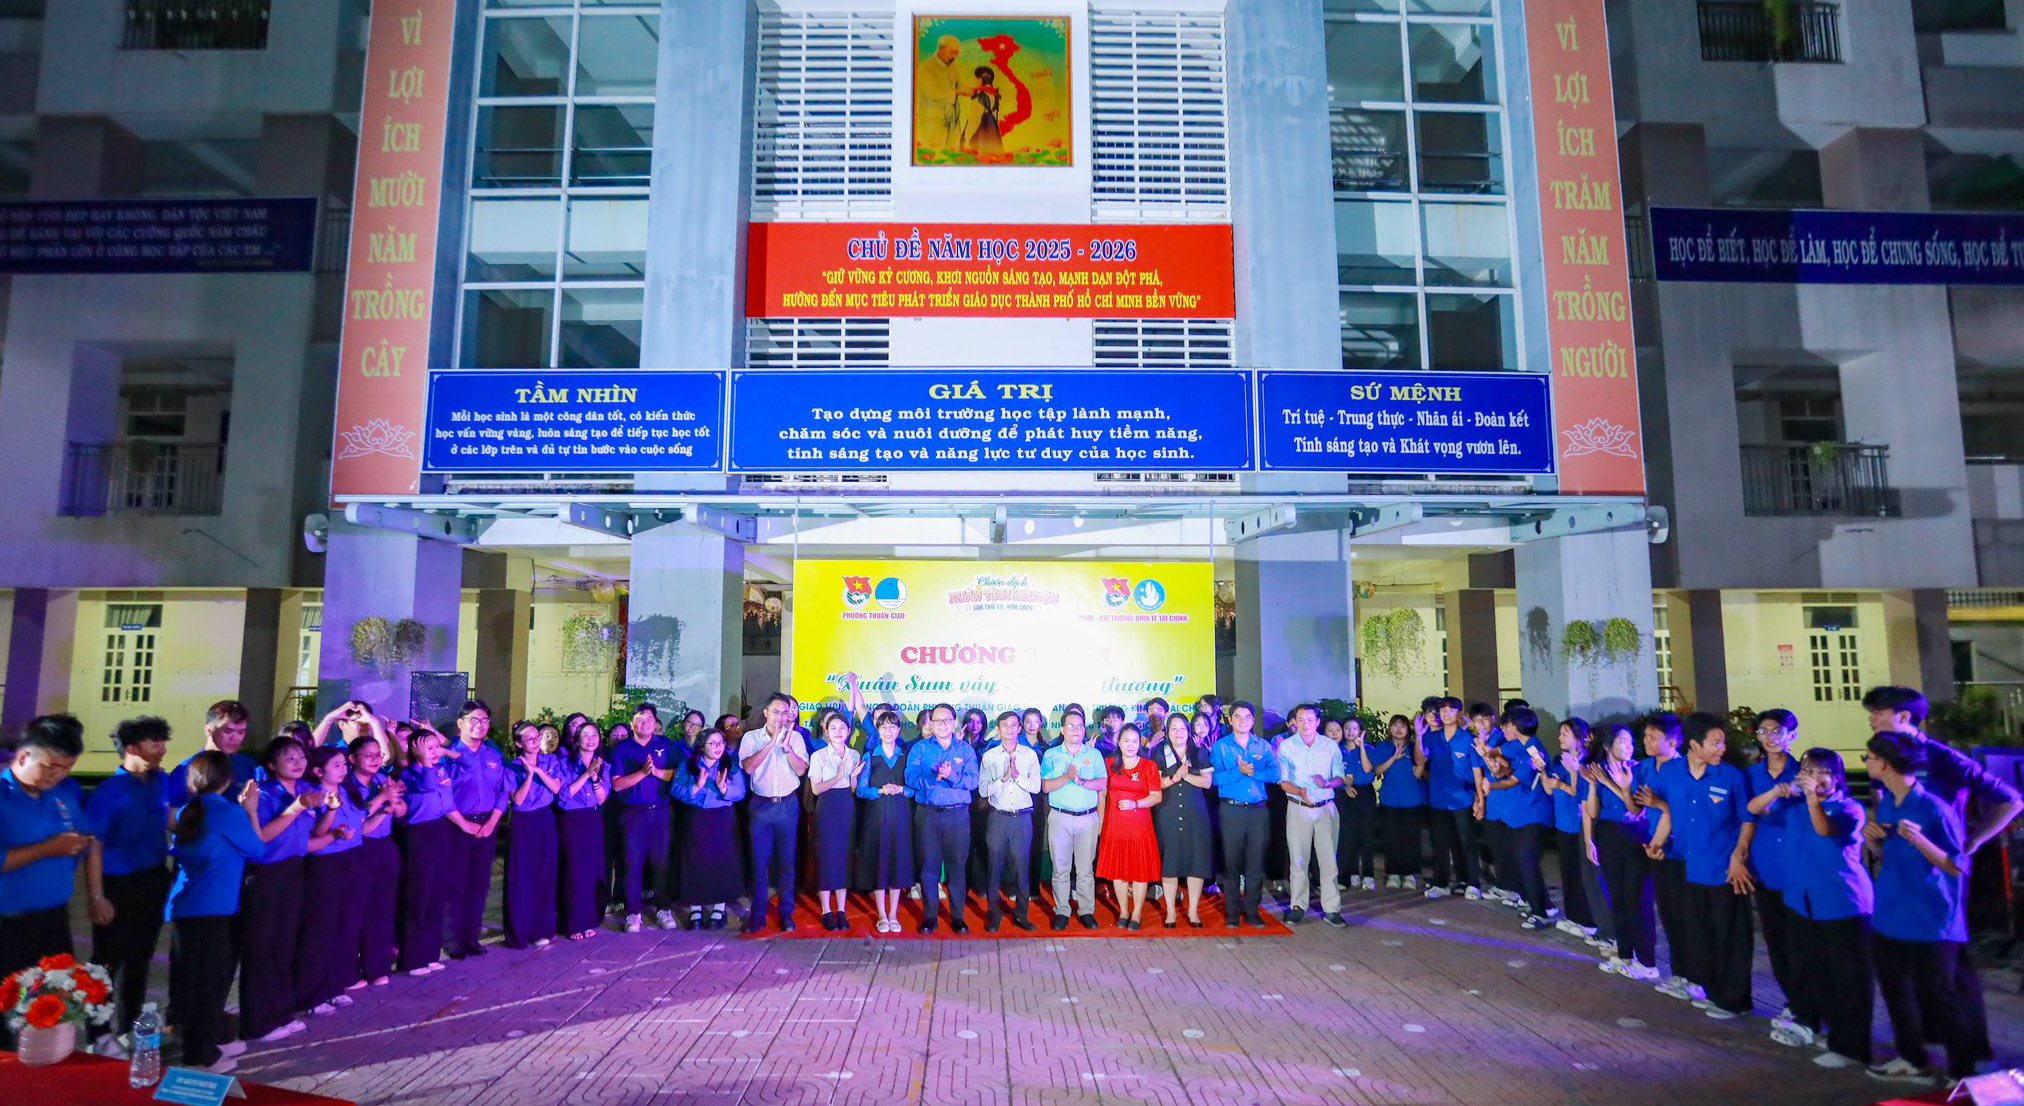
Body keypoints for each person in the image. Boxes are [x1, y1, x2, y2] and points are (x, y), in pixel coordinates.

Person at [1864, 684, 2019, 1069]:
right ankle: (1924, 1046)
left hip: (1941, 874)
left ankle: (1969, 1052)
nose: (1872, 719)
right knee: (1912, 967)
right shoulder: (1885, 759)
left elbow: (2011, 800)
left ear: (1904, 717)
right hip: (1902, 873)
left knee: (1949, 969)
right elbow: (1883, 807)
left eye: (1878, 712)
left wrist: (1973, 842)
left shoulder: (1943, 758)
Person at [1864, 729, 1979, 1083]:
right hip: (1889, 915)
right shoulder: (1888, 802)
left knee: (1941, 997)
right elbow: (1890, 855)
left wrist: (1920, 840)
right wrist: (1875, 844)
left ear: (1885, 764)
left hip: (1931, 919)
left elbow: (1956, 865)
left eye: (1869, 757)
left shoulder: (1934, 808)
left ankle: (1963, 1072)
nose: (1867, 763)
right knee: (1896, 993)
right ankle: (1912, 1058)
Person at [0, 714, 100, 1052]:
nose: (58, 775)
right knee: (7, 1010)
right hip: (8, 925)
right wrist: (48, 849)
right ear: (23, 756)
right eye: (51, 767)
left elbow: (86, 839)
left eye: (67, 768)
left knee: (55, 1005)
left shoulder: (63, 796)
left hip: (54, 921)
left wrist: (79, 849)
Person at [1646, 713, 1755, 1019]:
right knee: (1702, 933)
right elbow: (1668, 812)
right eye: (1715, 743)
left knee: (1730, 936)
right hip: (1689, 866)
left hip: (1724, 869)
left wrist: (1738, 857)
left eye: (1723, 742)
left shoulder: (1731, 776)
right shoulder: (1672, 773)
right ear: (1694, 745)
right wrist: (1657, 844)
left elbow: (1747, 820)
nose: (1722, 748)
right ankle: (1714, 991)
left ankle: (1735, 1001)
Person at [1773, 748, 1872, 1069]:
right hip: (1802, 902)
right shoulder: (1795, 807)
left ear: (1836, 777)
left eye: (1822, 772)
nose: (1814, 778)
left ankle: (1851, 1047)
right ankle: (1818, 1025)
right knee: (1813, 969)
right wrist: (1780, 791)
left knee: (1848, 977)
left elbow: (1825, 830)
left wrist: (1813, 800)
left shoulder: (1850, 809)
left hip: (1842, 903)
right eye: (1808, 771)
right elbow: (1755, 809)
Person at [165, 751, 263, 1074]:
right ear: (227, 780)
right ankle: (201, 1055)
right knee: (208, 985)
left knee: (189, 982)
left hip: (185, 907)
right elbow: (258, 850)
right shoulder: (228, 813)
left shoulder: (189, 810)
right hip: (214, 908)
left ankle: (198, 1042)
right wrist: (251, 810)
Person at [84, 716, 171, 1054]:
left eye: (163, 742)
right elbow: (94, 846)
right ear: (132, 748)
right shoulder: (109, 791)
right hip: (117, 885)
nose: (162, 749)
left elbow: (172, 819)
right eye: (155, 743)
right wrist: (96, 896)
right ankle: (97, 1035)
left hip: (153, 879)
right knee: (107, 962)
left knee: (141, 958)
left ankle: (131, 1027)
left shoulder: (161, 781)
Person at [240, 736, 320, 1043]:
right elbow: (261, 838)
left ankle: (281, 1012)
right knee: (263, 949)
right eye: (290, 758)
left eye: (301, 757)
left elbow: (306, 836)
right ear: (272, 765)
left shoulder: (304, 790)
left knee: (285, 946)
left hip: (294, 871)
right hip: (266, 876)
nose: (298, 762)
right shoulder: (264, 794)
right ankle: (258, 1022)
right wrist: (296, 808)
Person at [1585, 721, 1658, 980]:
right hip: (1608, 833)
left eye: (1630, 742)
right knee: (1616, 896)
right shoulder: (1599, 770)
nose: (1629, 746)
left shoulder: (1639, 770)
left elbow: (1636, 809)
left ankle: (1646, 959)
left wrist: (1613, 784)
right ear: (1608, 746)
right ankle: (1625, 953)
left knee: (1637, 898)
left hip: (1634, 835)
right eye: (1622, 742)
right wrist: (1594, 785)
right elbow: (1592, 812)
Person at [1743, 709, 1802, 1021]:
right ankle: (1793, 1002)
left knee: (1802, 943)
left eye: (1777, 731)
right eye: (1763, 732)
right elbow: (1748, 814)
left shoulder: (1805, 772)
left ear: (1793, 735)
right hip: (1765, 868)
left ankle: (1809, 1005)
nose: (1770, 738)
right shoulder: (1752, 775)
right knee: (1777, 942)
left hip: (1799, 871)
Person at [438, 700, 508, 958]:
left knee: (479, 884)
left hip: (487, 825)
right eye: (473, 720)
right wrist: (463, 824)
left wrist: (491, 823)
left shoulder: (493, 755)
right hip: (457, 825)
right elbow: (443, 795)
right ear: (460, 723)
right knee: (454, 883)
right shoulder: (447, 754)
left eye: (484, 720)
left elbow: (503, 791)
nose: (479, 725)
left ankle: (471, 937)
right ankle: (451, 940)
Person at [299, 746, 364, 1016]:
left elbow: (361, 823)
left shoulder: (347, 791)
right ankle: (313, 995)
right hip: (325, 864)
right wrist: (332, 813)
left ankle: (335, 985)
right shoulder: (313, 796)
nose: (343, 769)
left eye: (343, 764)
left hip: (351, 859)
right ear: (318, 771)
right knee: (321, 930)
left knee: (344, 926)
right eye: (336, 765)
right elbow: (317, 833)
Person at [741, 692, 810, 932]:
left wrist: (787, 748)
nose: (781, 717)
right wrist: (771, 744)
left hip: (787, 806)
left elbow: (801, 771)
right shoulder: (751, 737)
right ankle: (757, 915)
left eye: (785, 713)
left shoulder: (796, 738)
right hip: (760, 806)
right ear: (766, 713)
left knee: (787, 863)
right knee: (759, 863)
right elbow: (748, 767)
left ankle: (786, 914)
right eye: (776, 712)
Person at [907, 703, 979, 934]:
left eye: (947, 720)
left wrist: (951, 775)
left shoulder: (965, 750)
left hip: (958, 816)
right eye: (937, 720)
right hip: (928, 815)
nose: (942, 724)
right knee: (929, 868)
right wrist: (934, 778)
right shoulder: (920, 748)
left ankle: (958, 918)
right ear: (931, 723)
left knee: (957, 868)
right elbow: (910, 777)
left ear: (954, 722)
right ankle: (930, 918)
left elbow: (973, 781)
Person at [1633, 712, 1691, 996]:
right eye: (1645, 736)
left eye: (1654, 737)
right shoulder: (1644, 767)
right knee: (1667, 914)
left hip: (1679, 851)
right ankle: (1680, 974)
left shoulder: (1684, 769)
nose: (1647, 741)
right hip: (1654, 848)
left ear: (1674, 741)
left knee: (1685, 915)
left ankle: (1692, 976)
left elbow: (1683, 810)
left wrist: (1658, 803)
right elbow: (1634, 805)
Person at [1276, 704, 1346, 927]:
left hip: (1325, 807)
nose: (1305, 724)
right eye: (1301, 720)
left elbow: (1340, 777)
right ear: (1294, 722)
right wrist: (1299, 792)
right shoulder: (1287, 746)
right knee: (1298, 860)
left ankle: (1332, 908)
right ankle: (1298, 906)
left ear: (1317, 722)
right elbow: (1283, 781)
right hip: (1298, 807)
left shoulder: (1330, 746)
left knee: (1328, 860)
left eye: (1309, 720)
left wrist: (1327, 783)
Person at [342, 734, 403, 987]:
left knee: (382, 907)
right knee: (355, 911)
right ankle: (348, 972)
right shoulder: (347, 786)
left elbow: (401, 810)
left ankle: (377, 967)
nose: (375, 759)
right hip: (359, 849)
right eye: (368, 755)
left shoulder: (381, 780)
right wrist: (382, 801)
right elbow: (359, 825)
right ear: (352, 759)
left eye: (378, 755)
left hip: (384, 846)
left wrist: (394, 803)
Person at [1212, 701, 1278, 927]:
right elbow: (1214, 779)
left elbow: (1275, 774)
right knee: (1231, 862)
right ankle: (1232, 913)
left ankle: (1252, 911)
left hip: (1258, 811)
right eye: (1237, 717)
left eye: (1247, 717)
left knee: (1255, 863)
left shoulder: (1263, 746)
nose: (1242, 721)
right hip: (1231, 810)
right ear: (1230, 720)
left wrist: (1254, 773)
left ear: (1253, 720)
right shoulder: (1221, 746)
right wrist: (1237, 771)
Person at [396, 725, 455, 977]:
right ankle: (413, 958)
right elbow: (427, 786)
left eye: (436, 747)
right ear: (415, 750)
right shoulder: (409, 774)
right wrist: (423, 761)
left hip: (440, 830)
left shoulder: (440, 769)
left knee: (436, 895)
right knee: (419, 895)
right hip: (419, 834)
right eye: (428, 748)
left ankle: (430, 953)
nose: (435, 752)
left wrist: (438, 754)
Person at [612, 711, 678, 933]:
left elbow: (678, 774)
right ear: (631, 724)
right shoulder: (622, 749)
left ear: (655, 722)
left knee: (661, 863)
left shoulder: (665, 745)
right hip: (633, 814)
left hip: (661, 813)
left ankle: (663, 909)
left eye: (649, 719)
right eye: (639, 720)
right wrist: (642, 773)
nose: (645, 723)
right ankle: (633, 912)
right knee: (632, 863)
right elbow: (617, 784)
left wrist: (656, 772)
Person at [674, 729, 746, 931]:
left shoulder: (730, 765)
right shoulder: (688, 765)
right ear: (702, 746)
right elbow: (676, 790)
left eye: (721, 743)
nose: (718, 747)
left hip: (722, 818)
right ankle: (695, 909)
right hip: (696, 818)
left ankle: (718, 909)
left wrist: (724, 789)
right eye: (713, 743)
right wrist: (697, 787)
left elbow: (741, 792)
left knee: (721, 863)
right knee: (695, 863)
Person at [1490, 706, 1555, 929]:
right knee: (1520, 859)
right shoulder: (1516, 745)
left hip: (1535, 814)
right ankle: (1538, 903)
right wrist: (1494, 760)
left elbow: (1514, 780)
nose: (1503, 730)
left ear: (1516, 726)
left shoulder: (1534, 750)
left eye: (1506, 726)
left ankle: (1540, 912)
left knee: (1527, 859)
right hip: (1519, 813)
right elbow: (1498, 754)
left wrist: (1491, 784)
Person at [1540, 717, 1602, 942]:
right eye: (1560, 733)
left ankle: (1589, 922)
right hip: (1563, 824)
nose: (1560, 737)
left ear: (1580, 738)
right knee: (1568, 874)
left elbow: (1579, 795)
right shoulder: (1560, 760)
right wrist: (1543, 773)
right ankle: (1573, 916)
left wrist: (1572, 775)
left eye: (1565, 734)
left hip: (1579, 827)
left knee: (1582, 876)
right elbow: (1550, 790)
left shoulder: (1588, 763)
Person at [978, 710, 1041, 932]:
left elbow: (1036, 787)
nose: (1009, 729)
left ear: (1019, 729)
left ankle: (1021, 915)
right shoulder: (990, 756)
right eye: (1004, 725)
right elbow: (983, 790)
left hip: (1022, 818)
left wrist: (1017, 776)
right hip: (998, 818)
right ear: (998, 729)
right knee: (994, 869)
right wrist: (1003, 779)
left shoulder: (1029, 755)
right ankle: (993, 915)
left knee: (1021, 869)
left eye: (1014, 725)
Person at [1096, 724, 1163, 928]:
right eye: (1126, 741)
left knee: (1140, 870)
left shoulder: (1148, 766)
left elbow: (1156, 797)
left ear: (1139, 743)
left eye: (1135, 741)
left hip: (1140, 825)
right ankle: (1124, 912)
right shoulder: (1108, 764)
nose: (1131, 745)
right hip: (1115, 825)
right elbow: (1102, 795)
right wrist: (1101, 822)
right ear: (1119, 743)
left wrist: (1136, 804)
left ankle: (1136, 914)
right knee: (1118, 870)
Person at [504, 721, 563, 949]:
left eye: (537, 736)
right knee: (521, 876)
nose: (535, 741)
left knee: (545, 873)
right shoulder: (512, 767)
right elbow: (517, 800)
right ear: (519, 743)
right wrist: (529, 775)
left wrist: (538, 771)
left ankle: (542, 929)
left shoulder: (550, 761)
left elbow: (556, 788)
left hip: (545, 819)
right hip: (523, 822)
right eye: (529, 738)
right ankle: (519, 932)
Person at [1151, 711, 1214, 926]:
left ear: (1188, 731)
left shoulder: (1199, 753)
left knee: (1197, 861)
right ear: (1167, 732)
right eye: (1173, 729)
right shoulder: (1159, 753)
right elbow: (1155, 783)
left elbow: (1207, 782)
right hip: (1167, 813)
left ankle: (1193, 912)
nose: (1178, 733)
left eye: (1182, 728)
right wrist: (1174, 777)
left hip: (1195, 813)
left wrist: (1186, 776)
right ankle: (1171, 912)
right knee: (1169, 861)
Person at [855, 709, 915, 934]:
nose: (888, 731)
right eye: (883, 727)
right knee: (878, 862)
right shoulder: (870, 756)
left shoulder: (906, 757)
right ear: (877, 730)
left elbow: (914, 789)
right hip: (876, 816)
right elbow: (861, 790)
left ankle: (893, 914)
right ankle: (881, 914)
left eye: (892, 726)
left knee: (898, 862)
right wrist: (879, 791)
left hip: (901, 816)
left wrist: (901, 789)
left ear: (899, 730)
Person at [556, 722, 611, 940]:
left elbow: (602, 798)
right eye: (585, 735)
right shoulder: (564, 763)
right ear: (577, 740)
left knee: (591, 871)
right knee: (574, 871)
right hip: (572, 820)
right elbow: (563, 796)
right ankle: (573, 923)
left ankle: (589, 920)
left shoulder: (604, 765)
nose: (590, 739)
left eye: (594, 735)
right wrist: (586, 775)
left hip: (593, 819)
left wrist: (595, 777)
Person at [808, 711, 861, 931]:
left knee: (844, 857)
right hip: (827, 806)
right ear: (826, 732)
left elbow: (854, 789)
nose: (838, 732)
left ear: (848, 731)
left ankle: (841, 910)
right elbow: (816, 789)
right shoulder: (818, 756)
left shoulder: (854, 754)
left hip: (846, 806)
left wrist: (853, 778)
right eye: (833, 728)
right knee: (826, 857)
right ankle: (826, 910)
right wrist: (838, 776)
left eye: (842, 728)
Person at [1422, 697, 1479, 900]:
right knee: (1440, 843)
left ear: (1458, 713)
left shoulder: (1467, 739)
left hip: (1462, 799)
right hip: (1438, 800)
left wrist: (1479, 798)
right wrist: (1419, 736)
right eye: (1443, 710)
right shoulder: (1433, 737)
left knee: (1466, 842)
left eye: (1451, 710)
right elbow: (1421, 761)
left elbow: (1476, 770)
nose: (1446, 713)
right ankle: (1441, 883)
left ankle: (1472, 883)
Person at [166, 700, 257, 808]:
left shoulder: (246, 765)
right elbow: (173, 812)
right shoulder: (186, 769)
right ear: (208, 730)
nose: (235, 738)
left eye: (241, 732)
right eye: (228, 731)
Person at [1371, 714, 1425, 889]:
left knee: (1411, 838)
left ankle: (1409, 874)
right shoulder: (1383, 747)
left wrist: (1419, 737)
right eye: (1395, 725)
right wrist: (1393, 758)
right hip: (1390, 798)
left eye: (1403, 726)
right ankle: (1393, 873)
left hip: (1412, 799)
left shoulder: (1413, 747)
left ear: (1408, 730)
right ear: (1389, 728)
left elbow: (1418, 771)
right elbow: (1377, 770)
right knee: (1391, 838)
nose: (1399, 729)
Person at [1333, 716, 1378, 893]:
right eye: (1347, 728)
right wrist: (1345, 787)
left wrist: (1362, 747)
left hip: (1365, 793)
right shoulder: (1338, 750)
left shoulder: (1369, 749)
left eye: (1354, 728)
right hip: (1345, 794)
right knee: (1347, 834)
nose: (1350, 732)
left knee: (1366, 834)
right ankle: (1349, 873)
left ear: (1360, 731)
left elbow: (1368, 769)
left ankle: (1368, 874)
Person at [312, 700, 387, 752]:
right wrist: (330, 718)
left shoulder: (375, 752)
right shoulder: (332, 751)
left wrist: (374, 722)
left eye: (367, 721)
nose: (364, 724)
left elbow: (386, 759)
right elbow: (309, 750)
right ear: (342, 725)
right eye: (358, 720)